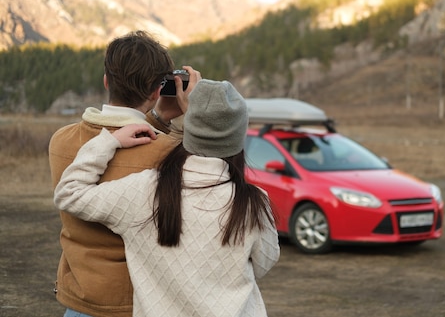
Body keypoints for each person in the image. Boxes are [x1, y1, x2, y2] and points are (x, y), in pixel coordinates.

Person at [54, 79, 280, 317]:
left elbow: (69, 193)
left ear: (190, 128)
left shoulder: (145, 191)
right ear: (238, 139)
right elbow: (264, 263)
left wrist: (110, 140)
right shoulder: (254, 203)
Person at [49, 30, 201, 317]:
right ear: (158, 91)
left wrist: (156, 119)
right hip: (137, 303)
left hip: (79, 301)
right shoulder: (170, 152)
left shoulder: (61, 141)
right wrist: (193, 115)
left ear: (107, 81)